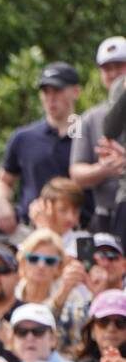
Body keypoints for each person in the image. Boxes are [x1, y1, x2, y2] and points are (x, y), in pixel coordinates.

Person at [0, 63, 81, 235]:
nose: (51, 98)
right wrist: (0, 202)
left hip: (78, 230)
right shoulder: (24, 137)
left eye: (58, 90)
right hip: (31, 231)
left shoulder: (90, 133)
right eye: (46, 91)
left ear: (75, 92)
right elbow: (3, 181)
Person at [70, 37, 126, 234]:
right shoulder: (84, 118)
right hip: (104, 216)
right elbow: (76, 173)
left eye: (119, 66)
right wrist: (103, 169)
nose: (113, 73)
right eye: (106, 68)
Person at [13, 227, 92, 352]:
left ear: (59, 267)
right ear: (23, 262)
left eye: (49, 261)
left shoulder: (72, 296)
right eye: (33, 259)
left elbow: (79, 339)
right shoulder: (11, 293)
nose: (41, 266)